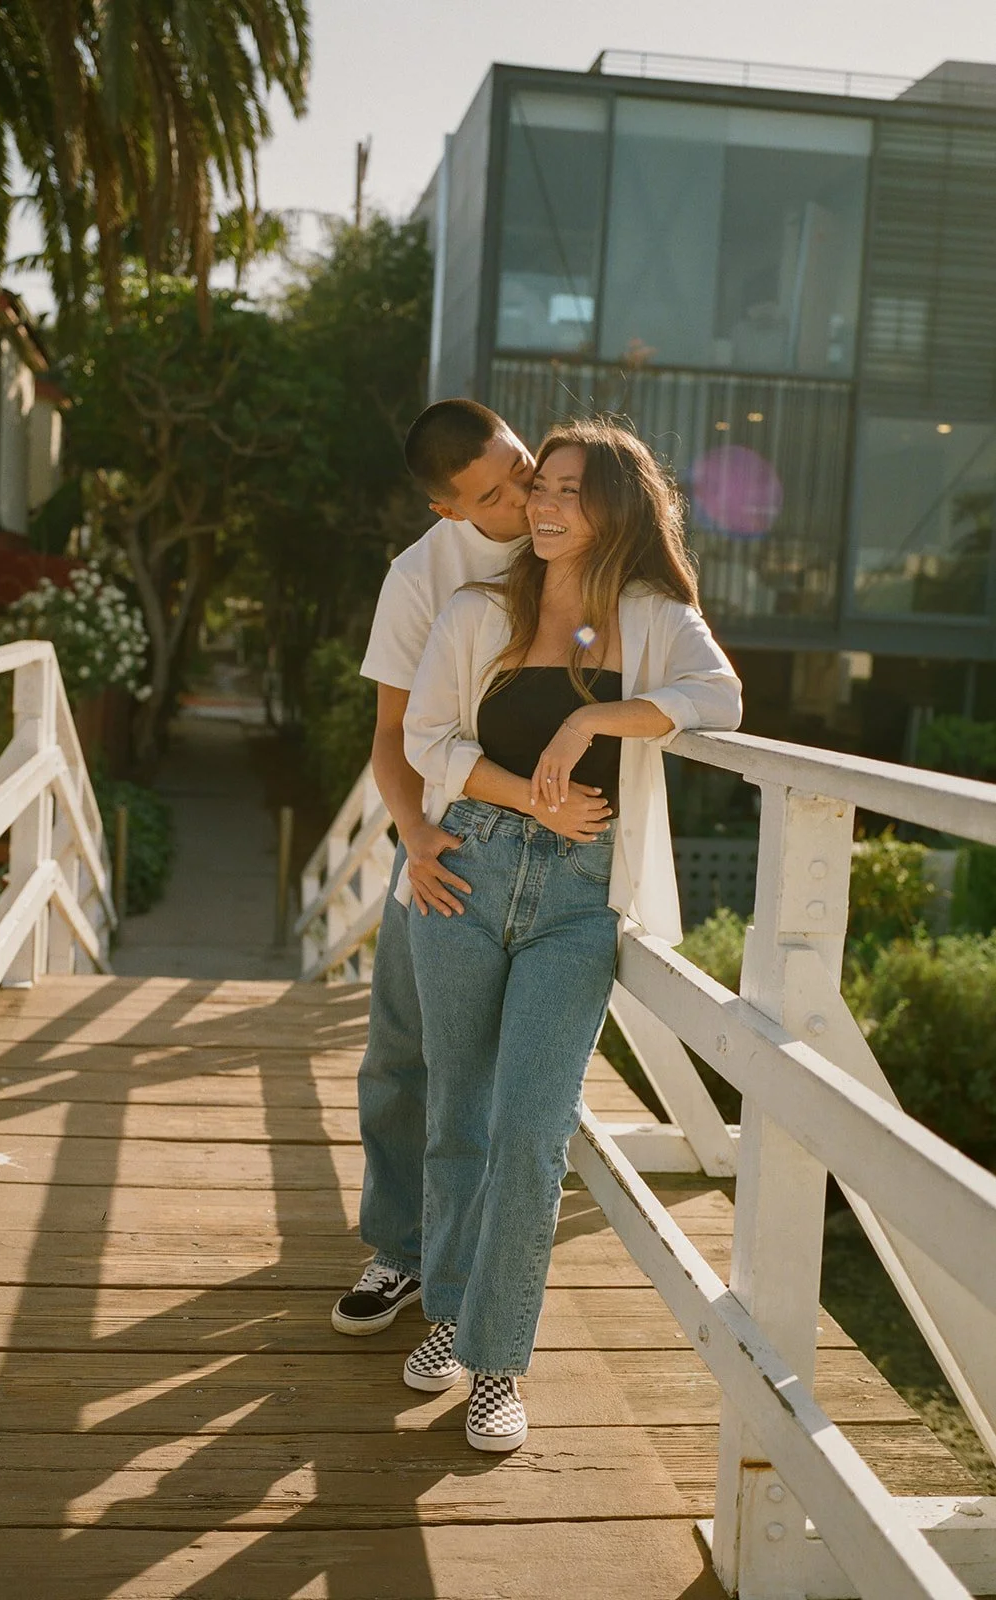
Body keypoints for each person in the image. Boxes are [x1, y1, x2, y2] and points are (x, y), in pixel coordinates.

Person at [400, 416, 743, 1450]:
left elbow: (719, 698)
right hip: (464, 869)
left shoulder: (651, 617)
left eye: (569, 491)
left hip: (577, 902)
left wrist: (595, 719)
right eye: (538, 486)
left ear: (618, 509)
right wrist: (533, 797)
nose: (544, 505)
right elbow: (429, 741)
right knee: (458, 1107)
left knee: (533, 1130)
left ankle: (500, 1362)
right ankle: (451, 1311)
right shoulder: (475, 611)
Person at [330, 400, 613, 1336]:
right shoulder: (421, 578)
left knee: (508, 1097)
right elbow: (388, 736)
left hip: (558, 860)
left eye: (524, 465)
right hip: (448, 844)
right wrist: (412, 837)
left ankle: (471, 1289)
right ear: (452, 512)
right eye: (496, 493)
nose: (527, 492)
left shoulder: (576, 534)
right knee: (402, 1055)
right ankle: (399, 1251)